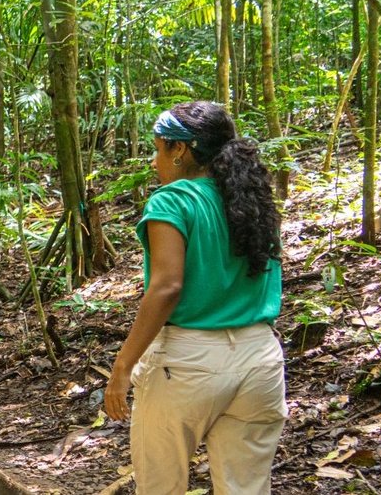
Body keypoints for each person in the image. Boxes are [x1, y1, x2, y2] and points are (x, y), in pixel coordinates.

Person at [103, 100, 287, 495]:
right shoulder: (252, 198)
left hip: (189, 362)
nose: (155, 161)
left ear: (180, 149)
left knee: (160, 486)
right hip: (260, 359)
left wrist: (123, 367)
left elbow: (167, 286)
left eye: (157, 149)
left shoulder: (173, 201)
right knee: (247, 488)